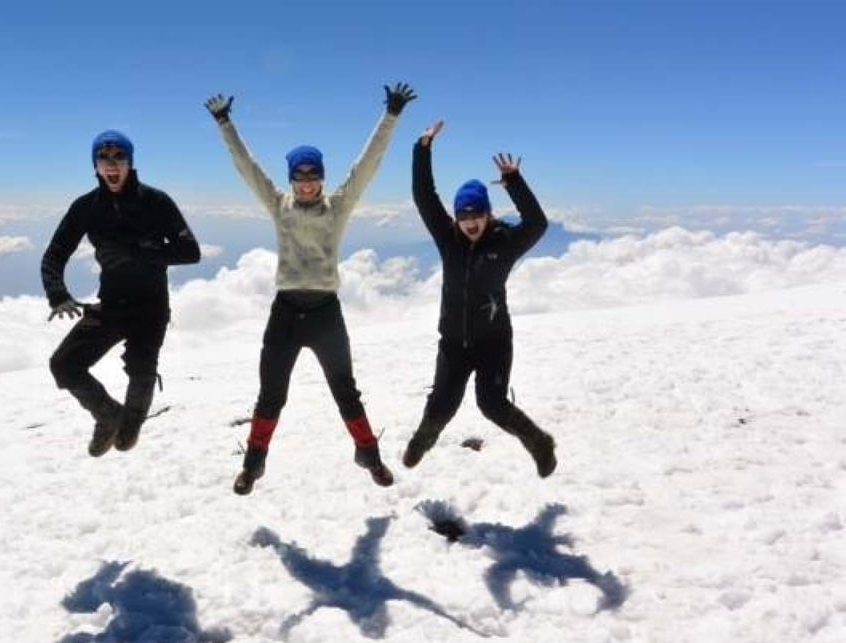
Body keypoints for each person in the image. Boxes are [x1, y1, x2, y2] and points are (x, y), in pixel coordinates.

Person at [204, 83, 416, 495]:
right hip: (285, 312)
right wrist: (224, 122)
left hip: (325, 313)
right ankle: (253, 465)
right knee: (271, 395)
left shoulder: (337, 208)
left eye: (312, 176)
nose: (305, 184)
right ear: (292, 179)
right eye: (299, 177)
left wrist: (391, 115)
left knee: (345, 391)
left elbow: (368, 164)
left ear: (321, 178)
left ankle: (369, 456)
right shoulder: (278, 205)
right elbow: (246, 166)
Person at [404, 120, 556, 478]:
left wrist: (515, 183)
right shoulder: (448, 239)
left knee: (492, 404)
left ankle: (540, 443)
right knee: (441, 407)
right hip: (454, 343)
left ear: (488, 214)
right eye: (463, 216)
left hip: (493, 341)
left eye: (476, 215)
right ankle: (421, 442)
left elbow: (537, 224)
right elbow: (424, 197)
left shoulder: (504, 242)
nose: (469, 222)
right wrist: (422, 149)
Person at [42, 130, 201, 457]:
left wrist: (139, 252)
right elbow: (54, 255)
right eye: (104, 158)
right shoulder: (86, 207)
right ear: (95, 166)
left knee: (141, 376)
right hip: (111, 306)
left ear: (130, 163)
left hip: (151, 309)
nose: (112, 164)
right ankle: (106, 414)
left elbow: (190, 251)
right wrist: (57, 293)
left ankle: (129, 423)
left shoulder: (156, 202)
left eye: (119, 158)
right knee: (63, 365)